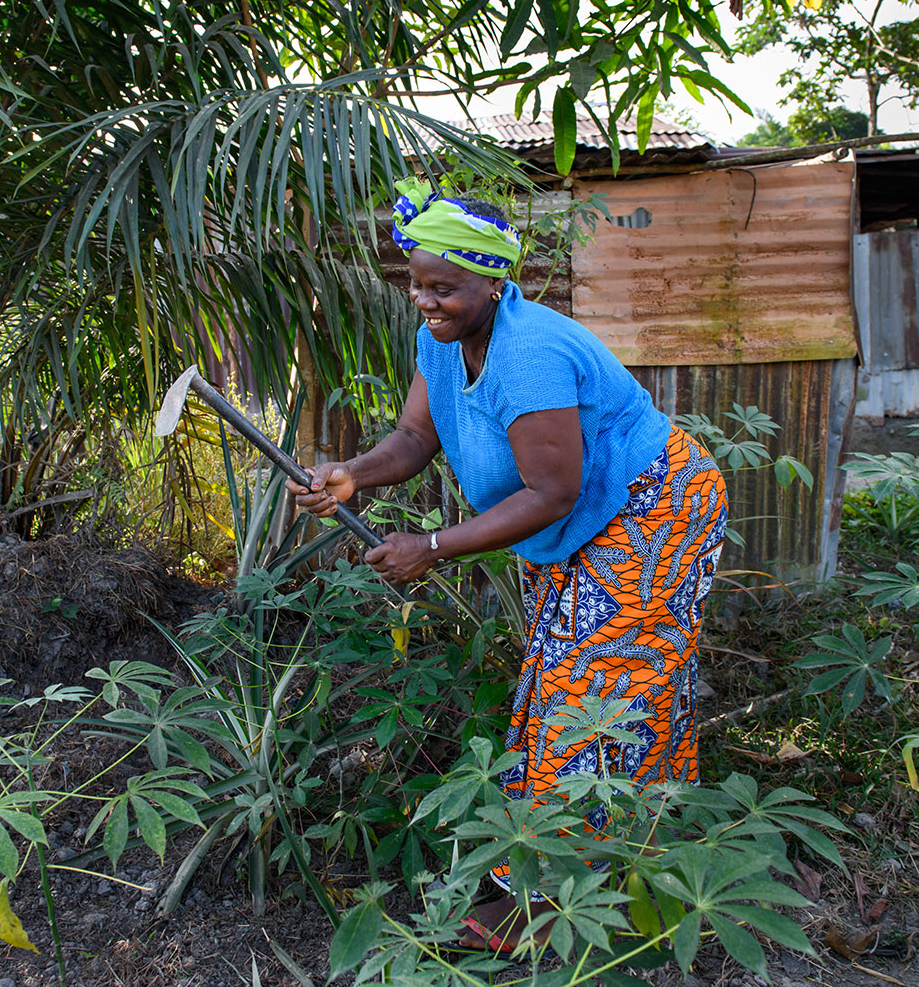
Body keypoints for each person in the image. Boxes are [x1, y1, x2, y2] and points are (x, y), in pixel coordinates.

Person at [287, 179, 727, 954]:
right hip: (580, 518)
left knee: (599, 687)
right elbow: (415, 440)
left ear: (494, 280)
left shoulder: (529, 355)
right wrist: (353, 472)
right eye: (417, 285)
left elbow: (552, 491)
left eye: (445, 287)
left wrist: (432, 547)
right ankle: (600, 859)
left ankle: (555, 895)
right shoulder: (444, 337)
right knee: (566, 675)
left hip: (649, 507)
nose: (426, 301)